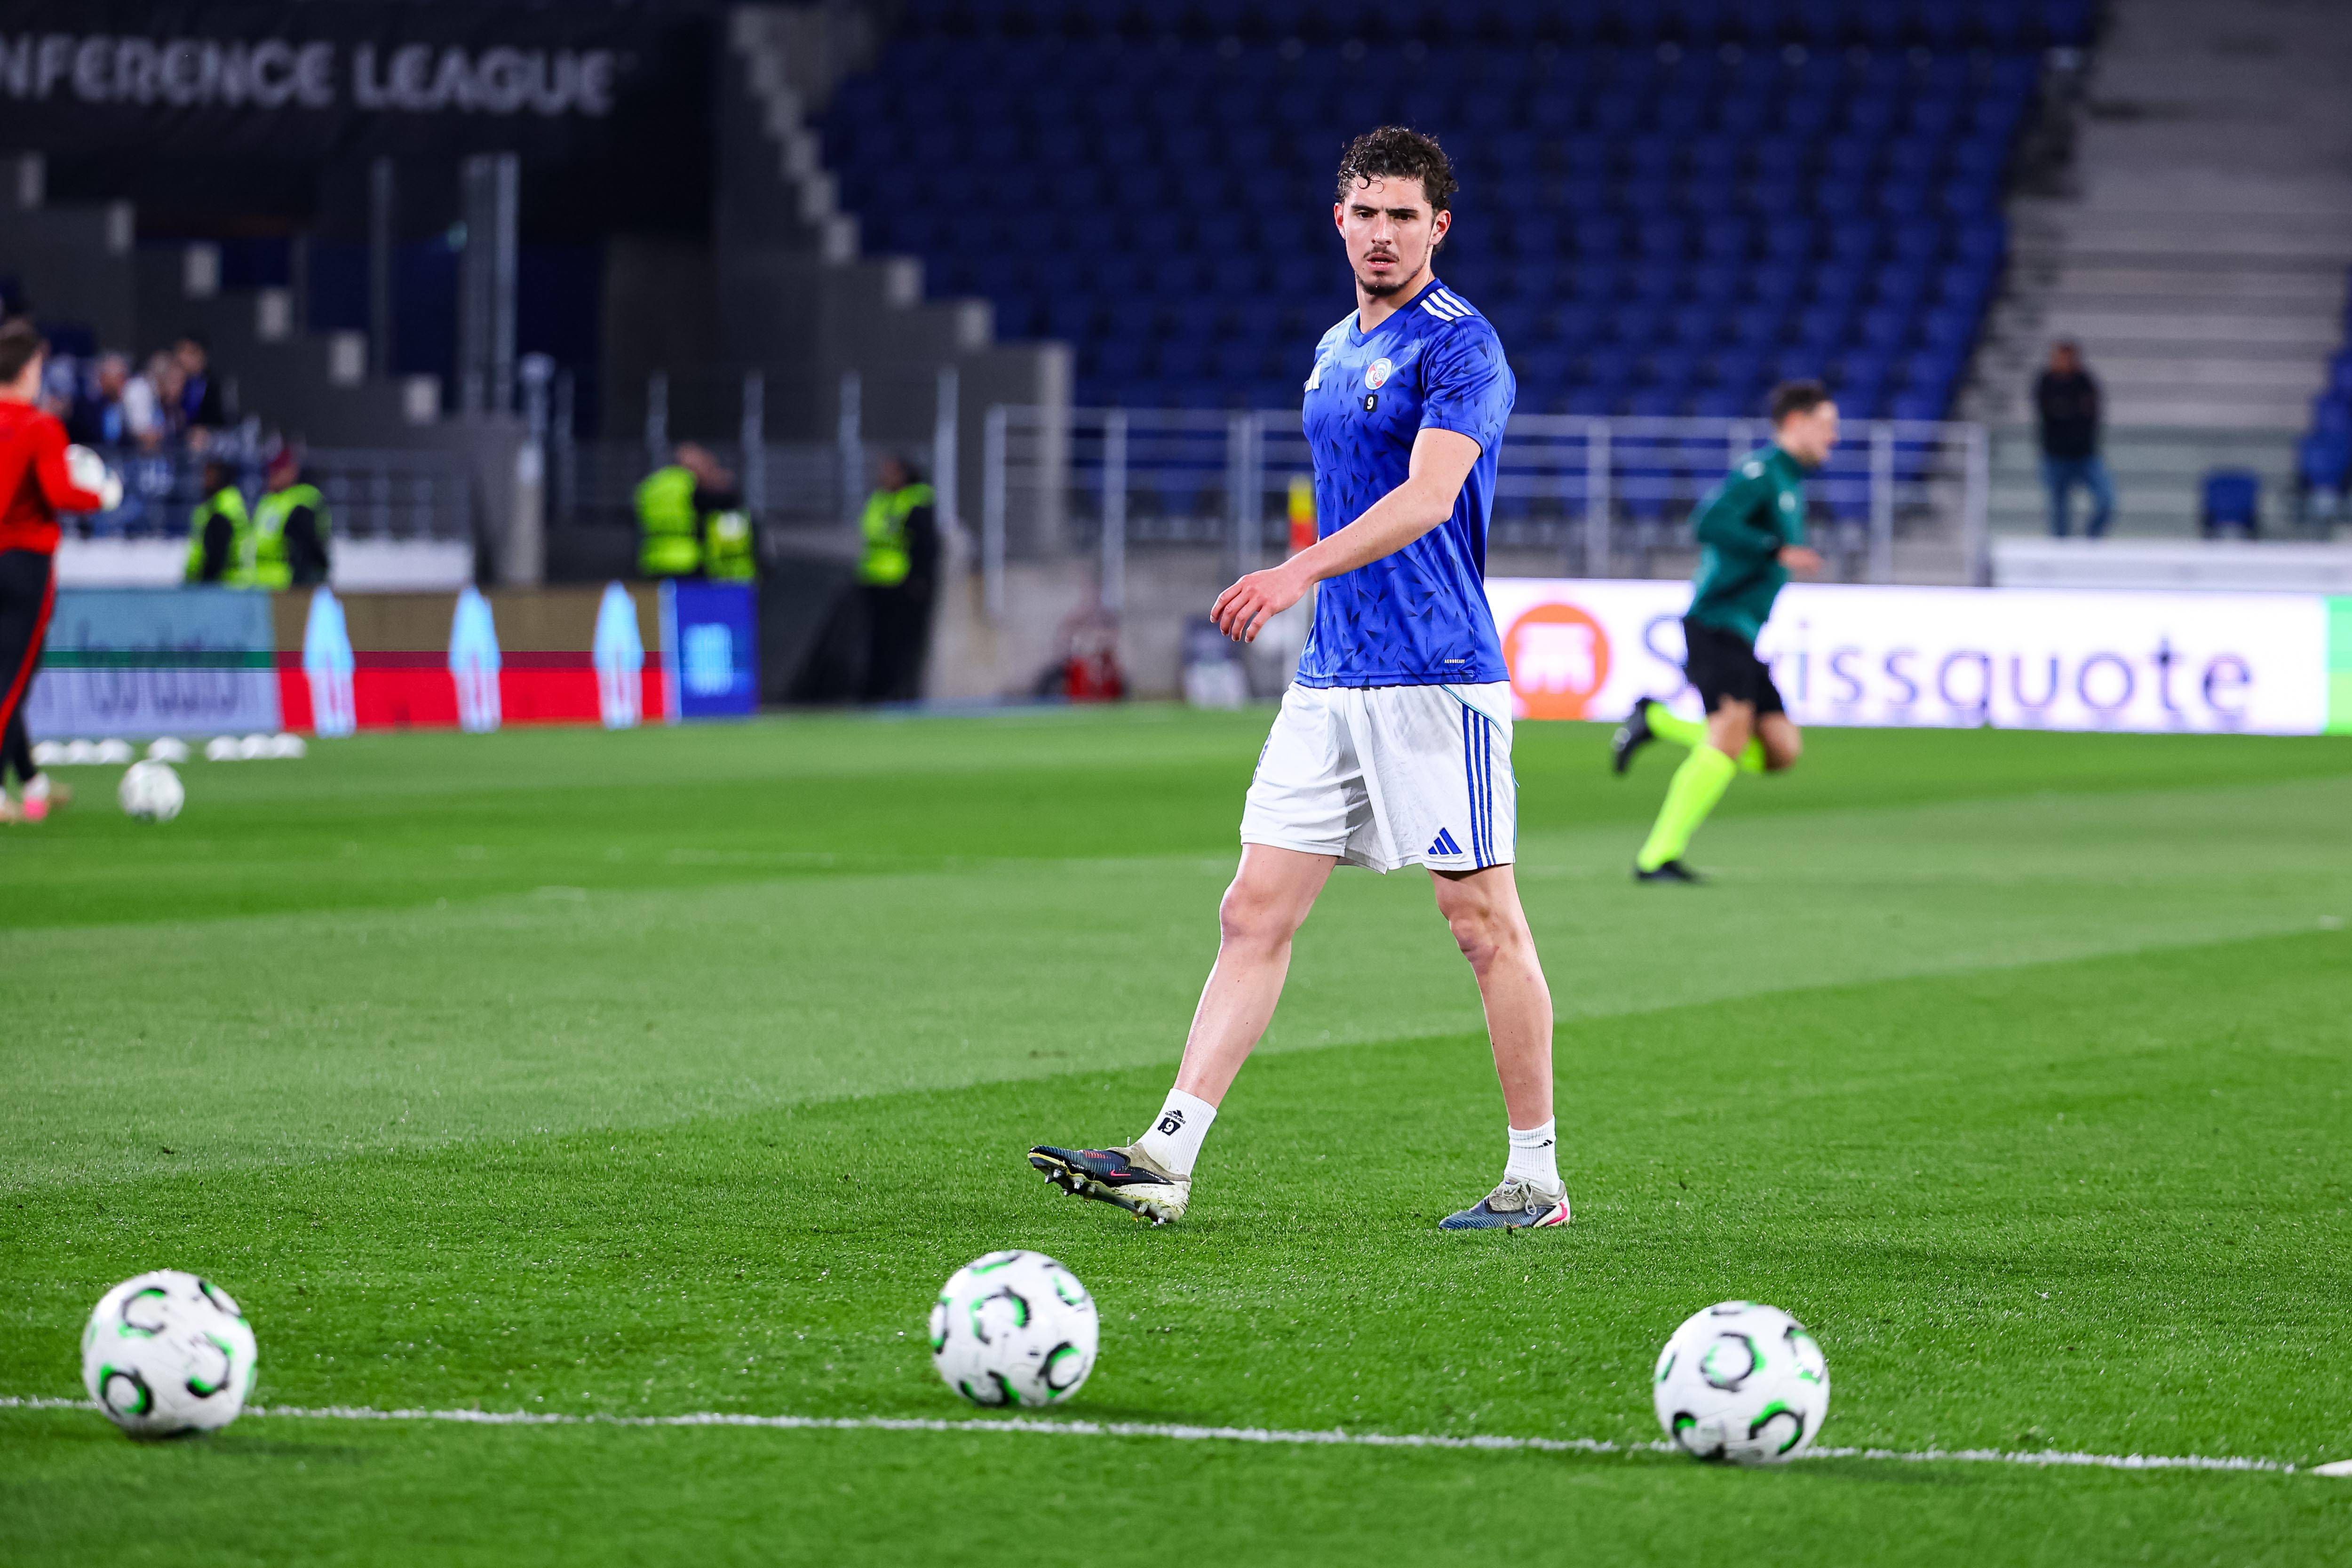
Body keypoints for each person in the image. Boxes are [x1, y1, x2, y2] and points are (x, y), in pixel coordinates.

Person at [1027, 127, 1565, 1232]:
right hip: (1331, 679)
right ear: (1338, 218)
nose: (1382, 233)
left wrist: (1292, 571)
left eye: (1403, 216)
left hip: (1433, 672)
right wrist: (1309, 596)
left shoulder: (1463, 347)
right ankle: (1164, 1156)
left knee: (1479, 924)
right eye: (1365, 213)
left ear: (1438, 228)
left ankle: (1535, 1179)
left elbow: (1425, 498)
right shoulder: (1331, 349)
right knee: (1251, 908)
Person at [1610, 381, 1837, 882]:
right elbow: (1707, 521)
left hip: (1742, 632)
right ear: (1795, 423)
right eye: (1825, 426)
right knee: (1729, 736)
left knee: (1781, 752)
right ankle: (1655, 858)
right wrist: (1772, 549)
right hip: (1715, 623)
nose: (1832, 438)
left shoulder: (1788, 481)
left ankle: (1658, 722)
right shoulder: (1761, 472)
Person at [0, 318, 108, 824]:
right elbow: (60, 493)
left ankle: (32, 780)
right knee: (13, 680)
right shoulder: (39, 425)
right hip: (23, 562)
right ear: (28, 370)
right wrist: (103, 495)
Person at [856, 454, 938, 702]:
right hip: (874, 581)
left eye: (890, 472)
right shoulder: (879, 500)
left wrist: (919, 581)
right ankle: (876, 693)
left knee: (902, 645)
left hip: (904, 585)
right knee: (878, 643)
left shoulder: (916, 501)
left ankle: (901, 695)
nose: (883, 477)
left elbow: (926, 546)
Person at [2036, 340, 2112, 538]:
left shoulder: (2085, 382)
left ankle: (2090, 541)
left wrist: (2067, 413)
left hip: (2085, 455)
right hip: (2056, 456)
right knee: (2059, 513)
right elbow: (2050, 415)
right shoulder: (2046, 382)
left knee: (2106, 501)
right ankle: (2061, 555)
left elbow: (2090, 415)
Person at [634, 443, 739, 580]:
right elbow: (726, 503)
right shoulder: (692, 486)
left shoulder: (650, 486)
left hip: (652, 559)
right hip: (686, 560)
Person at [183, 459, 251, 585]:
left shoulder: (221, 510)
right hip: (231, 586)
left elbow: (216, 557)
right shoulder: (223, 504)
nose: (204, 480)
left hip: (223, 587)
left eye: (209, 475)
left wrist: (205, 582)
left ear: (220, 477)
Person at [173, 333, 227, 445]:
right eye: (180, 351)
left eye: (190, 353)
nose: (182, 358)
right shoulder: (171, 380)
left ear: (202, 356)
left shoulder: (212, 385)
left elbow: (219, 420)